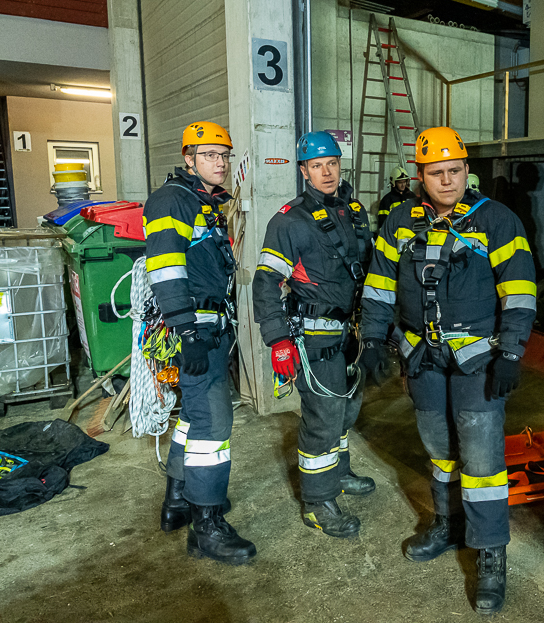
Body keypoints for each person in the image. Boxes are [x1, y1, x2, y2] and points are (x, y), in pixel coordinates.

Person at [358, 126, 535, 615]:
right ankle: (448, 523)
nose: (447, 180)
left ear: (466, 170)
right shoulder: (400, 221)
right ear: (421, 176)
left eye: (454, 170)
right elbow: (379, 284)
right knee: (439, 449)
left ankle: (490, 552)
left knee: (481, 459)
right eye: (436, 173)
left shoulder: (496, 220)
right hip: (423, 358)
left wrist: (512, 353)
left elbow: (520, 290)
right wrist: (372, 339)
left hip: (480, 361)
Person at [252, 131, 375, 539]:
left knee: (345, 411)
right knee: (323, 418)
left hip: (349, 333)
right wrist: (278, 340)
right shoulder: (289, 221)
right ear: (304, 171)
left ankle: (339, 472)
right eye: (317, 166)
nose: (326, 172)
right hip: (315, 338)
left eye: (332, 164)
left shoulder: (353, 212)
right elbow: (266, 283)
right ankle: (318, 503)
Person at [143, 121, 255, 565]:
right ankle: (205, 526)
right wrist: (186, 332)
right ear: (188, 158)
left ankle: (177, 501)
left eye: (224, 155)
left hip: (209, 325)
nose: (220, 163)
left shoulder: (203, 201)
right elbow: (166, 269)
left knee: (192, 416)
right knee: (213, 424)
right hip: (194, 329)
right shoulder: (172, 200)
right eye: (210, 155)